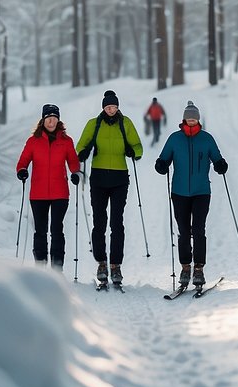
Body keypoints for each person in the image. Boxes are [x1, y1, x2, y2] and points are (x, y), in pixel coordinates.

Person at [154, 100, 227, 290]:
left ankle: (199, 269)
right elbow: (164, 158)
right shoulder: (174, 139)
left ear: (198, 120)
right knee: (184, 231)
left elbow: (217, 158)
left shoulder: (207, 139)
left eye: (194, 119)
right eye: (189, 118)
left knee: (199, 230)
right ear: (184, 119)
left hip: (202, 191)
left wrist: (220, 165)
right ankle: (186, 267)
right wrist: (161, 165)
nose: (192, 121)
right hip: (179, 192)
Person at [75, 89, 143, 287]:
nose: (111, 109)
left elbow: (138, 145)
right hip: (98, 178)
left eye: (113, 106)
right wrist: (84, 152)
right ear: (104, 108)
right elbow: (81, 145)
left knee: (117, 223)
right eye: (108, 107)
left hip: (120, 178)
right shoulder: (94, 124)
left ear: (117, 107)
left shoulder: (125, 123)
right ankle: (101, 263)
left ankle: (115, 265)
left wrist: (134, 152)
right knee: (99, 222)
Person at [15, 103, 80, 270]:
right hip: (38, 194)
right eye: (48, 119)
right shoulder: (33, 142)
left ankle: (57, 268)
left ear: (58, 121)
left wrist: (75, 172)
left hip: (60, 193)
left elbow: (73, 161)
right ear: (43, 121)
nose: (51, 122)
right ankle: (41, 267)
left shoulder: (66, 141)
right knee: (40, 230)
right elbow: (23, 161)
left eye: (54, 119)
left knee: (57, 229)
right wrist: (22, 171)